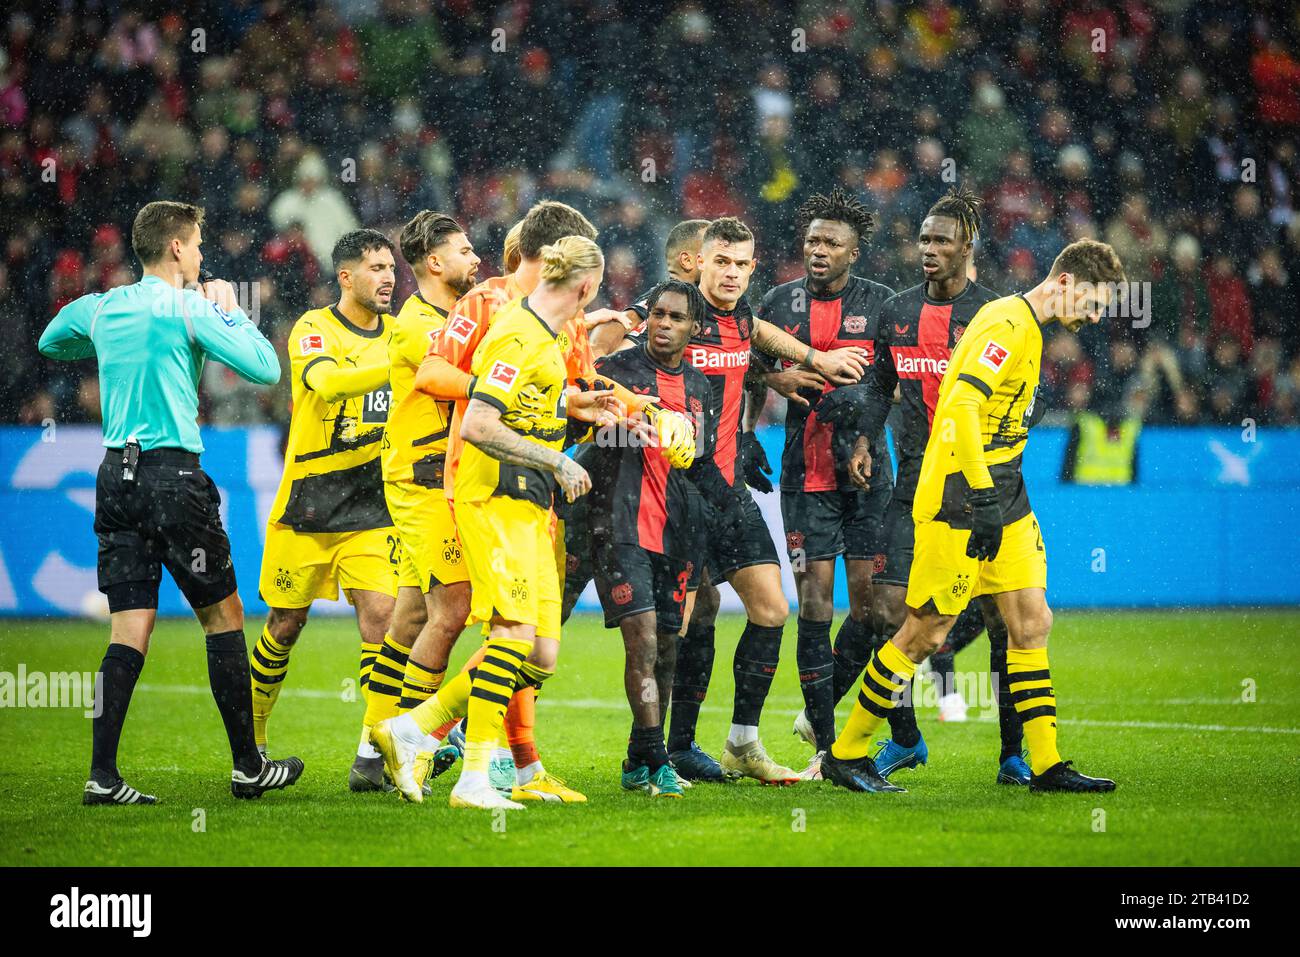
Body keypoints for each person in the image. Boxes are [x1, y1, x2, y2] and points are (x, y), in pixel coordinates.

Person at [407, 201, 691, 802]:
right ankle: (434, 752)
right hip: (485, 481)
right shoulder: (490, 306)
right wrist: (497, 397)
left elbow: (574, 393)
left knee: (535, 647)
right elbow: (433, 375)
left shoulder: (564, 326)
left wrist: (642, 410)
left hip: (536, 490)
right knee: (458, 617)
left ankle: (481, 752)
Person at [823, 238, 1126, 794]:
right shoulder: (1007, 324)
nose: (1098, 314)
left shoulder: (1028, 328)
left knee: (1031, 624)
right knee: (924, 633)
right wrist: (982, 495)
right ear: (1066, 284)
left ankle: (1046, 763)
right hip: (961, 494)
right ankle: (846, 752)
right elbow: (961, 407)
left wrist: (997, 495)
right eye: (1096, 301)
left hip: (1006, 495)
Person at [38, 200, 302, 804]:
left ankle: (102, 776)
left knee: (128, 629)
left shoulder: (104, 306)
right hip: (172, 479)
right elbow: (264, 368)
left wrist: (109, 347)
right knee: (224, 615)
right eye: (199, 244)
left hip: (115, 478)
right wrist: (230, 312)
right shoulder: (190, 308)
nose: (204, 255)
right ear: (178, 249)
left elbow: (52, 342)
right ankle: (247, 767)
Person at [371, 236, 618, 809]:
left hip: (531, 505)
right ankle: (474, 780)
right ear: (585, 287)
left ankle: (412, 730)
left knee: (539, 654)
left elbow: (523, 409)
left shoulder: (549, 337)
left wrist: (575, 409)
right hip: (493, 500)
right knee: (510, 634)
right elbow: (479, 424)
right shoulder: (516, 332)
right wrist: (556, 459)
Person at [663, 216, 870, 784]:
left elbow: (756, 340)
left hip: (729, 493)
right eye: (720, 262)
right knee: (683, 618)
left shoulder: (744, 319)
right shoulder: (672, 314)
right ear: (696, 262)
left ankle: (742, 742)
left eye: (740, 264)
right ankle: (661, 750)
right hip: (677, 495)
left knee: (772, 609)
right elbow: (626, 348)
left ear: (753, 268)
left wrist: (807, 365)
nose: (730, 273)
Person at [845, 188, 1028, 784]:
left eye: (941, 240)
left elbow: (1023, 395)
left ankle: (1012, 754)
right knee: (886, 611)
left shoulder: (996, 315)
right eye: (924, 239)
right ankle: (905, 738)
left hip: (982, 489)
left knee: (1005, 622)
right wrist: (867, 440)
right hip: (916, 489)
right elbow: (878, 387)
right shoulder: (897, 312)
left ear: (967, 246)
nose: (928, 249)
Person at [747, 189, 895, 779]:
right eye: (811, 241)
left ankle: (824, 717)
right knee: (813, 602)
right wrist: (776, 383)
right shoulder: (779, 301)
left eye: (831, 243)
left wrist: (864, 431)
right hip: (803, 476)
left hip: (867, 474)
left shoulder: (883, 305)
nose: (818, 250)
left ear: (854, 253)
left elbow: (894, 383)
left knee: (875, 609)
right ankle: (831, 750)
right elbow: (741, 356)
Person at [250, 228, 400, 789]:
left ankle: (371, 754)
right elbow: (328, 384)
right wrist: (400, 365)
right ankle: (254, 745)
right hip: (310, 501)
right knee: (285, 623)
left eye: (391, 268)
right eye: (376, 268)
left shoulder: (400, 333)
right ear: (346, 276)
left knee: (381, 622)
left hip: (373, 502)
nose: (388, 278)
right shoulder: (313, 328)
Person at [586, 279, 748, 798]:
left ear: (694, 329)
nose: (663, 324)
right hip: (619, 525)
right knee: (643, 641)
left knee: (667, 650)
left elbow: (698, 465)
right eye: (657, 314)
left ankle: (639, 759)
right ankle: (657, 760)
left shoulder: (700, 387)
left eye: (676, 318)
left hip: (677, 532)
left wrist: (731, 510)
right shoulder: (616, 371)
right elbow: (577, 425)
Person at [371, 211, 480, 792]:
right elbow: (480, 375)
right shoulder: (418, 327)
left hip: (443, 480)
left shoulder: (455, 316)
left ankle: (374, 749)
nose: (476, 259)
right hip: (422, 482)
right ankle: (418, 739)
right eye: (465, 251)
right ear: (434, 263)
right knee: (454, 607)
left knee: (411, 616)